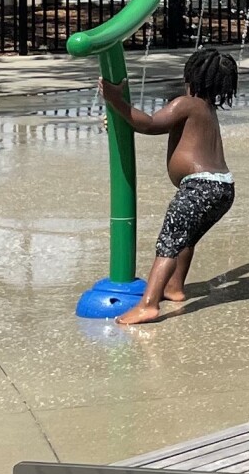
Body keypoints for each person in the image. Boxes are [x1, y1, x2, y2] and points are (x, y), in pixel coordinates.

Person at [101, 47, 239, 326]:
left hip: (199, 187)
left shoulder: (187, 103)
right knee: (186, 239)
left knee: (168, 242)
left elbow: (151, 124)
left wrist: (116, 100)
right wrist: (123, 120)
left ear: (190, 76)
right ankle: (174, 287)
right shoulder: (207, 110)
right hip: (223, 188)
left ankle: (149, 305)